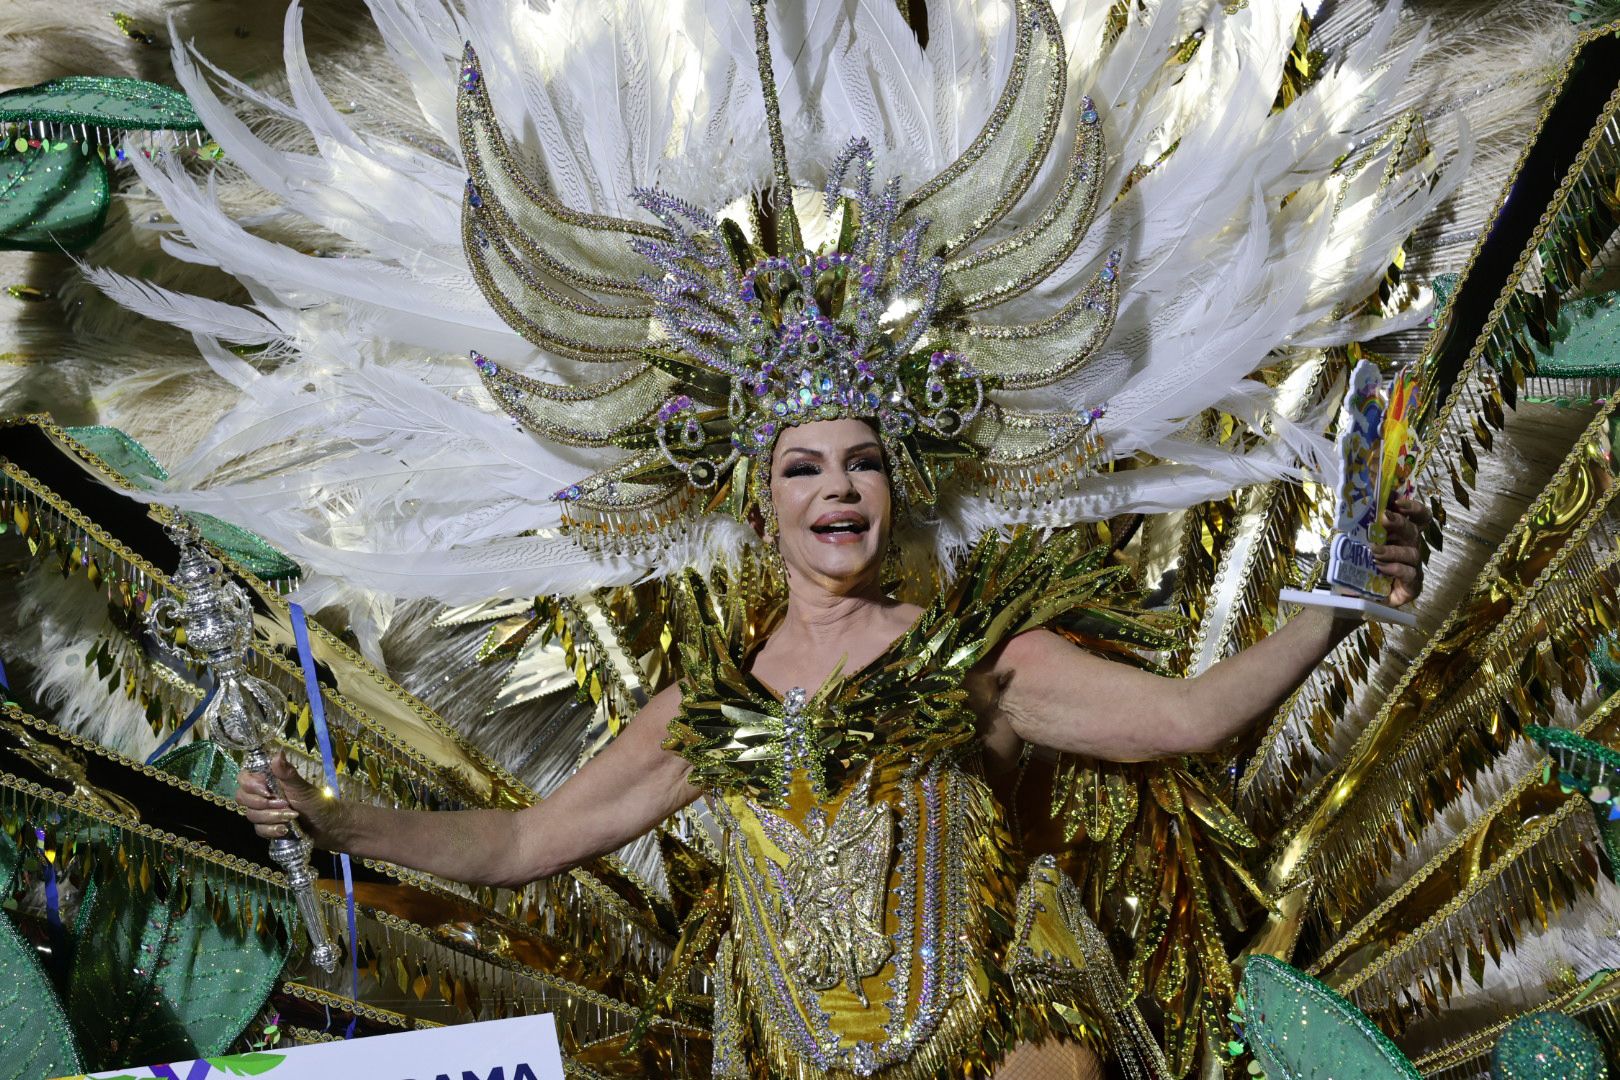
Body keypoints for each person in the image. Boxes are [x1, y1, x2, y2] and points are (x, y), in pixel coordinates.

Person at [238, 413, 1427, 1078]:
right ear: (766, 508)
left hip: (993, 1055)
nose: (838, 487)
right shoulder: (704, 710)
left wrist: (1331, 612)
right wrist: (330, 819)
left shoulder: (983, 661)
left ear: (893, 493)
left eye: (862, 461)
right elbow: (525, 841)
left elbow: (1189, 718)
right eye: (803, 467)